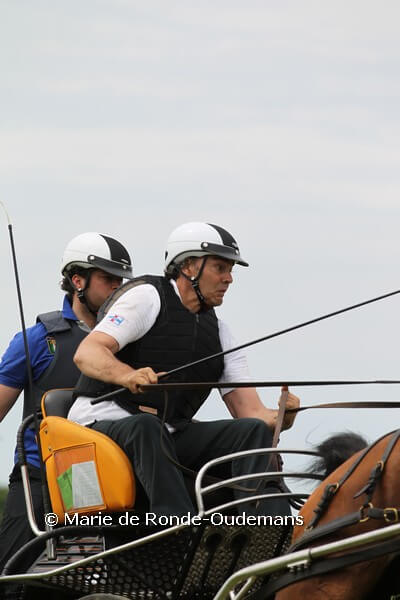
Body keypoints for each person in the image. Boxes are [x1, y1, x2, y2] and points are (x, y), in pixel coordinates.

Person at [70, 222, 300, 518]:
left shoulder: (220, 333)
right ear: (189, 266)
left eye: (231, 270)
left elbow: (253, 415)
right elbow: (87, 353)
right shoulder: (147, 297)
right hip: (99, 427)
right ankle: (176, 527)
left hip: (163, 437)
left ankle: (266, 526)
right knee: (146, 427)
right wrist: (127, 375)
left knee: (251, 432)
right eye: (220, 268)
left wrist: (283, 416)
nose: (229, 279)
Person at [0, 232, 133, 572]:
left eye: (121, 281)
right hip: (40, 477)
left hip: (109, 480)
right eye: (107, 278)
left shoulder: (131, 342)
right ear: (77, 281)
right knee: (12, 574)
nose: (116, 288)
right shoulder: (38, 340)